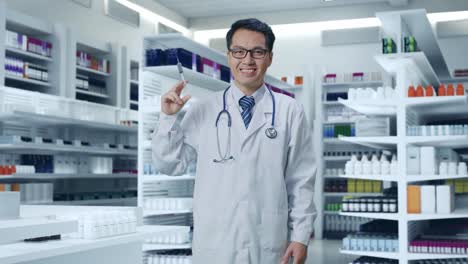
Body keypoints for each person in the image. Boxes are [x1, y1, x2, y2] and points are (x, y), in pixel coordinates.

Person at [152, 18, 316, 264]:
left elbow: (300, 180)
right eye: (239, 51)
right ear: (229, 56)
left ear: (270, 57)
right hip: (215, 241)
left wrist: (301, 236)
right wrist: (168, 118)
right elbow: (170, 165)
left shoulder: (289, 111)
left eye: (257, 52)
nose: (247, 60)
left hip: (267, 240)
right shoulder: (204, 109)